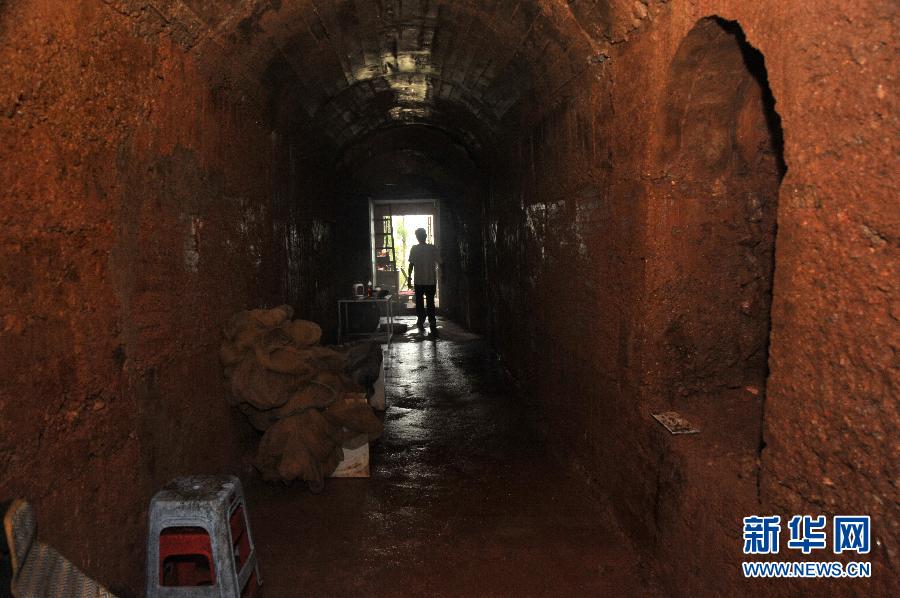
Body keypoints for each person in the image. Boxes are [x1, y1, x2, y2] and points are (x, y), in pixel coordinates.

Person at [407, 227, 440, 334]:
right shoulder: (432, 248)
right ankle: (432, 321)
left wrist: (409, 278)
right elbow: (441, 262)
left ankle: (421, 320)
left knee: (420, 303)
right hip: (430, 281)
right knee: (430, 302)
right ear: (425, 236)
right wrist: (444, 275)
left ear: (417, 237)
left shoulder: (414, 249)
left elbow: (411, 265)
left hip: (419, 281)